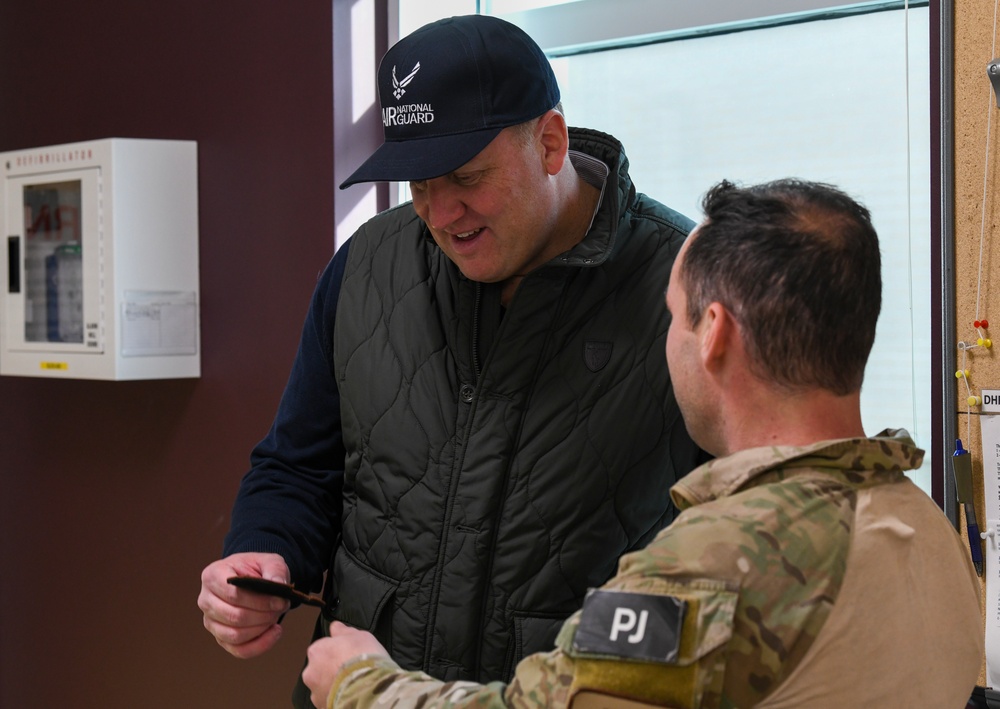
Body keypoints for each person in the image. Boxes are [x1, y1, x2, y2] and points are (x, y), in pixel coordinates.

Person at [300, 178, 985, 709]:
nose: (670, 339)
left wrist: (362, 684)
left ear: (713, 332)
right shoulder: (927, 531)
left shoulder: (722, 559)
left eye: (673, 315)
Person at [197, 13, 703, 707]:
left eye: (467, 176)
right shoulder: (369, 264)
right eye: (419, 184)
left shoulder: (688, 289)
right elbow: (299, 463)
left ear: (550, 142)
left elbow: (735, 550)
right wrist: (265, 548)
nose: (442, 213)